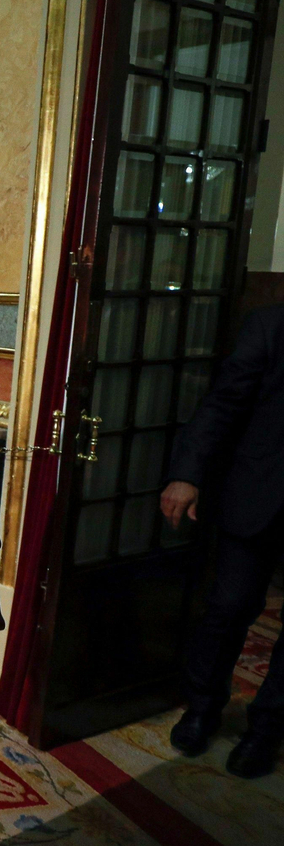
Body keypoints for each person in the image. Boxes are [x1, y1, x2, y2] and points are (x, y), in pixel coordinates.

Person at [163, 303, 284, 777]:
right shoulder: (271, 322)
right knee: (228, 608)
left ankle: (266, 730)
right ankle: (203, 708)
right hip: (258, 488)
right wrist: (188, 474)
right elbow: (224, 402)